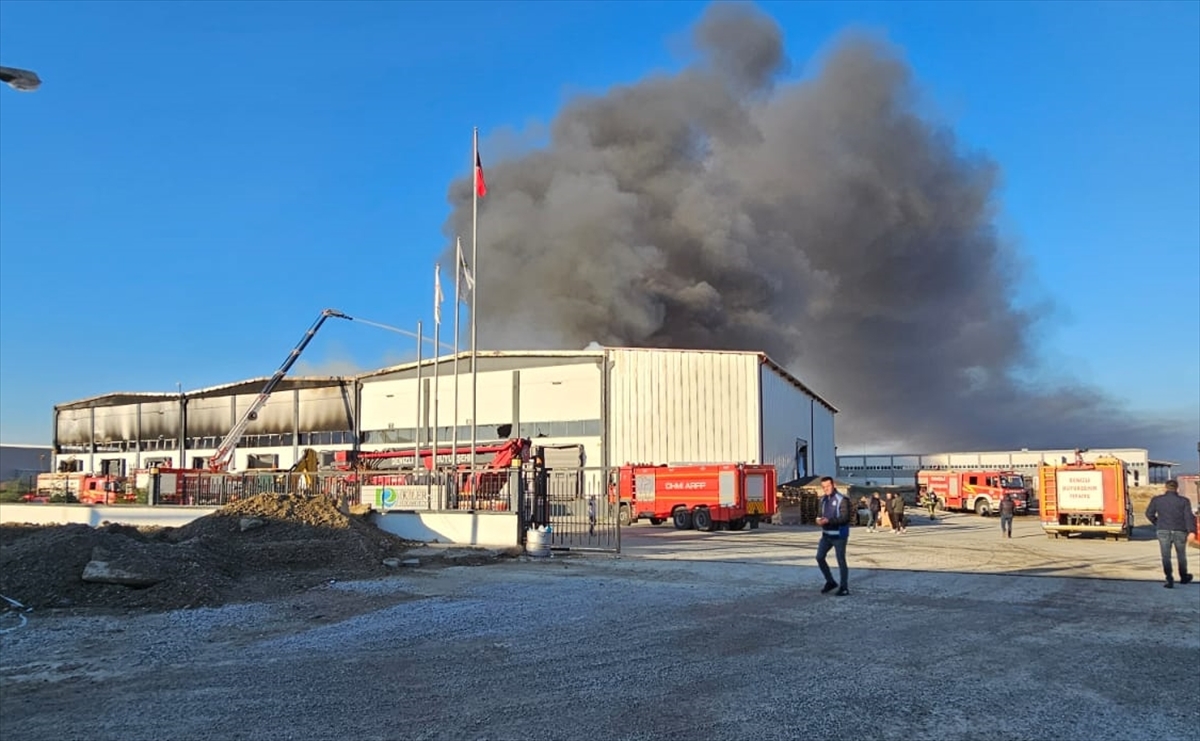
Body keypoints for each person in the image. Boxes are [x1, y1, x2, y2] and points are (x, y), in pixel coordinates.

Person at [1145, 480, 1197, 588]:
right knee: (1181, 555)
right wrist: (1191, 531)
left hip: (1163, 530)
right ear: (1177, 488)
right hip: (1180, 530)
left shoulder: (1157, 500)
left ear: (1165, 487)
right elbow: (1188, 517)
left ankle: (1169, 578)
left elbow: (1149, 513)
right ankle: (1183, 576)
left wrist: (1157, 522)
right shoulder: (1184, 501)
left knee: (1166, 556)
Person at [814, 476, 851, 596]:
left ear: (833, 485)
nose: (826, 489)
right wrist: (818, 520)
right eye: (823, 487)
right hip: (826, 535)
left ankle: (844, 588)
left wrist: (829, 521)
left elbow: (845, 518)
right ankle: (830, 582)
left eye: (828, 486)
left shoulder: (842, 499)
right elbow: (819, 515)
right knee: (819, 557)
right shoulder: (823, 500)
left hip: (839, 535)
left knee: (841, 560)